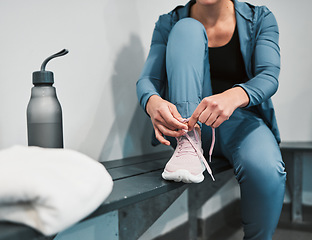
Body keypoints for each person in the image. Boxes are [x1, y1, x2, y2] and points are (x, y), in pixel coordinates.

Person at [136, 0, 286, 239]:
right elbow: (148, 80)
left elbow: (269, 74)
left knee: (266, 170)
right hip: (188, 123)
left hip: (240, 122)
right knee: (188, 28)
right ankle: (189, 142)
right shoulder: (170, 22)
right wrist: (151, 101)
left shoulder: (260, 19)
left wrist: (235, 95)